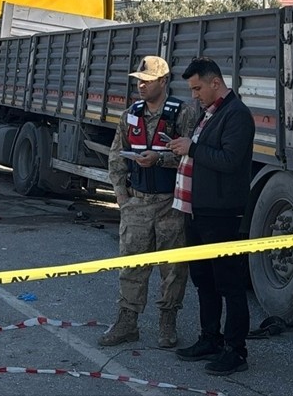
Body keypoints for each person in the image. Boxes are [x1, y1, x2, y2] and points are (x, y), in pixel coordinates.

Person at [100, 56, 199, 349]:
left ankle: (167, 322)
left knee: (173, 268)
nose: (141, 86)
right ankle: (127, 322)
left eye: (148, 81)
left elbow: (192, 155)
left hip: (171, 204)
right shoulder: (131, 114)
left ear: (164, 81)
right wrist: (121, 197)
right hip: (138, 203)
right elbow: (117, 156)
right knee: (132, 265)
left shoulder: (183, 113)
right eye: (139, 81)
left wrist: (162, 158)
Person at [167, 57, 255, 376]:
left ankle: (236, 350)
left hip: (222, 214)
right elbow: (201, 154)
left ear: (215, 83)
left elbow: (230, 160)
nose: (194, 95)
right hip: (198, 211)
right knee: (203, 279)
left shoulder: (237, 115)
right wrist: (183, 148)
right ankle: (210, 338)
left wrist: (191, 148)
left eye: (197, 88)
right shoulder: (208, 114)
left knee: (229, 283)